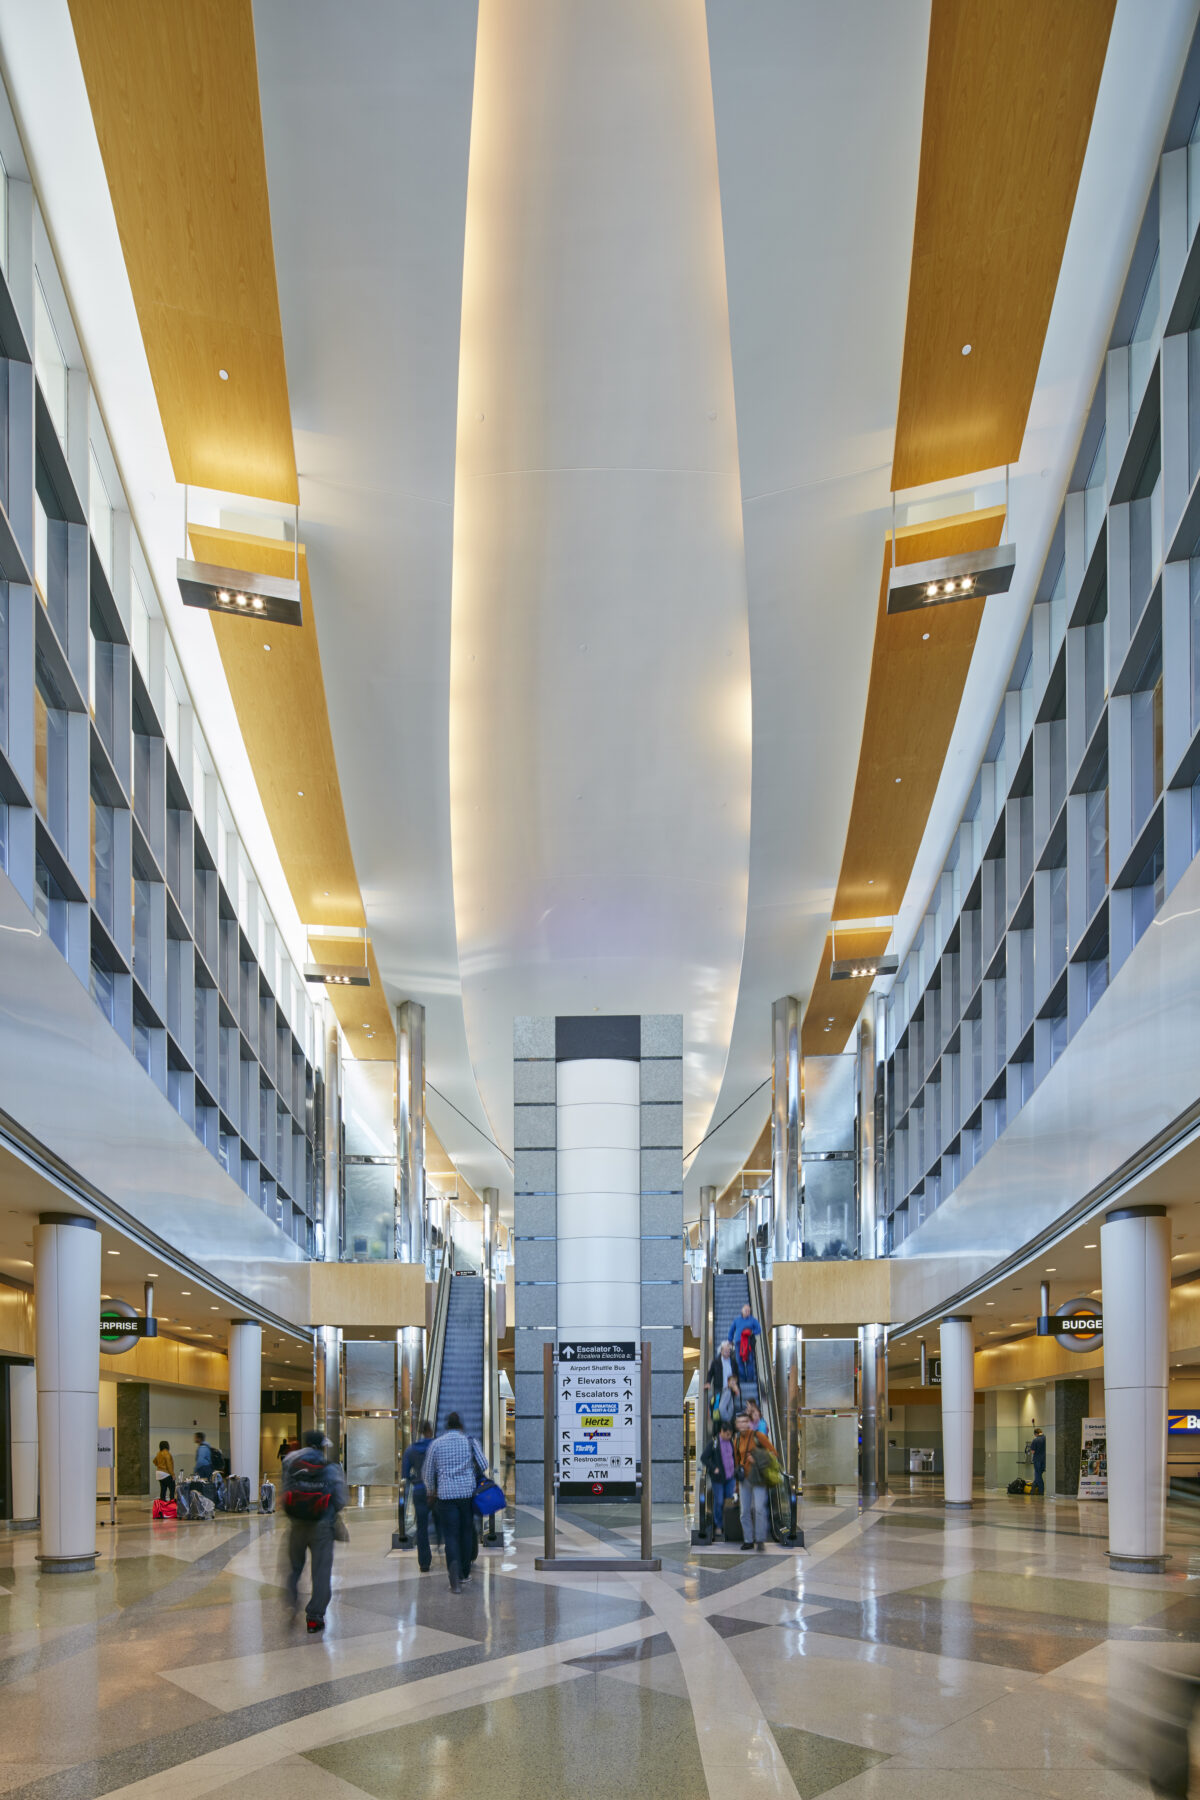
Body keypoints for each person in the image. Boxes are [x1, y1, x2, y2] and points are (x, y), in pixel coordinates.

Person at [282, 1429, 348, 1633]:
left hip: (297, 1524)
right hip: (322, 1526)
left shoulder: (291, 1461)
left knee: (294, 1568)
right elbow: (341, 1499)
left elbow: (285, 1491)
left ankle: (292, 1603)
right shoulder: (330, 1467)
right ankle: (314, 1618)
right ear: (322, 1445)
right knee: (321, 1572)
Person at [422, 1410, 489, 1593]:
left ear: (446, 1426)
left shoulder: (436, 1444)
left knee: (450, 1535)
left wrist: (431, 1490)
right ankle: (465, 1573)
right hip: (466, 1495)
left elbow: (427, 1472)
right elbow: (484, 1465)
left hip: (445, 1496)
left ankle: (453, 1570)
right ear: (460, 1426)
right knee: (466, 1532)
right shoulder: (469, 1441)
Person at [734, 1401, 778, 1553]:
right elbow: (736, 1460)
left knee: (759, 1509)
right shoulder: (737, 1439)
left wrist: (757, 1459)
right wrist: (735, 1483)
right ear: (737, 1425)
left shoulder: (758, 1436)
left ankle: (760, 1540)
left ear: (749, 1422)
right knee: (744, 1511)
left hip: (758, 1478)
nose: (743, 1424)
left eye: (745, 1421)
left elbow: (774, 1453)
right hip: (744, 1479)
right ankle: (748, 1540)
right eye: (740, 1422)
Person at [401, 1417, 438, 1572]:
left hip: (419, 1491)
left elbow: (405, 1473)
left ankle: (424, 1562)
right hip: (437, 1492)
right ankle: (450, 1556)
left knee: (421, 1528)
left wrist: (415, 1480)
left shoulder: (410, 1450)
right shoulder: (436, 1446)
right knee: (446, 1523)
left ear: (420, 1432)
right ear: (430, 1431)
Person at [705, 1423, 738, 1540]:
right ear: (721, 1432)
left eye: (731, 1434)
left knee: (729, 1501)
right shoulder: (714, 1443)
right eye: (727, 1434)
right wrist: (714, 1468)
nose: (729, 1436)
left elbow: (733, 1458)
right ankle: (718, 1525)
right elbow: (704, 1458)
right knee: (719, 1501)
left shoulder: (731, 1443)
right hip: (718, 1479)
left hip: (730, 1477)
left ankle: (728, 1525)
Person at [728, 1303, 762, 1370]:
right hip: (738, 1343)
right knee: (739, 1361)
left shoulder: (753, 1320)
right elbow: (731, 1330)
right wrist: (730, 1340)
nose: (747, 1312)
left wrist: (752, 1332)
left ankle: (750, 1379)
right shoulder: (737, 1320)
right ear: (742, 1310)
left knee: (749, 1360)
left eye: (748, 1310)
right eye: (745, 1310)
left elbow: (759, 1329)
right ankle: (742, 1379)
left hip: (748, 1343)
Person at [1031, 1426, 1046, 1496]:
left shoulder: (1035, 1440)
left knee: (1037, 1474)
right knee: (1038, 1475)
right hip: (1045, 1460)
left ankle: (1041, 1490)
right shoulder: (1046, 1438)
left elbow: (1033, 1451)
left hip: (1037, 1459)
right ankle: (1033, 1488)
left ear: (1036, 1434)